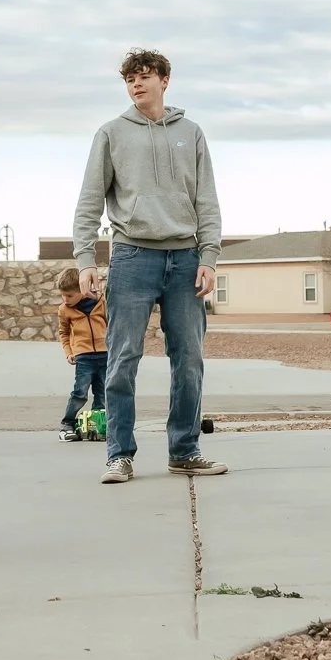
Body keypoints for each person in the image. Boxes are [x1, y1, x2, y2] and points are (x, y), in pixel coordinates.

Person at [72, 48, 226, 484]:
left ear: (164, 80)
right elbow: (89, 200)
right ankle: (119, 454)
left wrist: (209, 257)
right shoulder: (111, 133)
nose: (136, 84)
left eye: (144, 77)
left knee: (190, 358)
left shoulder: (191, 133)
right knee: (122, 357)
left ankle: (185, 450)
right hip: (132, 257)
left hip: (185, 258)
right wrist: (86, 259)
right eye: (129, 79)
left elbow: (207, 201)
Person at [55, 266, 107, 442]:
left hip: (105, 354)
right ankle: (67, 424)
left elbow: (112, 325)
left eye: (69, 295)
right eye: (63, 295)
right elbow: (64, 333)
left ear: (82, 290)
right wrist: (69, 352)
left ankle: (98, 425)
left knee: (103, 393)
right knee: (80, 392)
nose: (65, 299)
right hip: (83, 357)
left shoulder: (102, 302)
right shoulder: (64, 310)